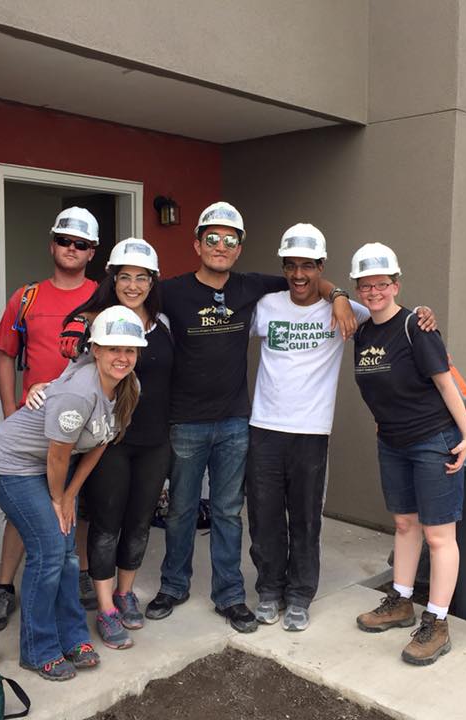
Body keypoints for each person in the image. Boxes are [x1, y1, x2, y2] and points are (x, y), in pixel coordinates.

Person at [144, 202, 358, 633]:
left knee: (228, 511)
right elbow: (127, 300)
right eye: (212, 239)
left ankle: (230, 595)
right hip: (187, 421)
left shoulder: (251, 289)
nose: (220, 247)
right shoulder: (172, 291)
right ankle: (173, 586)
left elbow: (308, 281)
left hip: (237, 422)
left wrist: (336, 295)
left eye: (229, 240)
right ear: (197, 243)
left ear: (240, 248)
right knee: (182, 510)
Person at [246, 224, 436, 632]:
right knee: (264, 517)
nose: (299, 275)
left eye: (308, 266)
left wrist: (424, 314)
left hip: (312, 431)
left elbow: (390, 312)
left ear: (321, 266)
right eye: (291, 266)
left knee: (306, 517)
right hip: (264, 426)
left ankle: (299, 595)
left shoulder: (349, 309)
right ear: (283, 267)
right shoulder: (266, 307)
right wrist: (336, 293)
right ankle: (268, 589)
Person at [0, 305, 145, 680]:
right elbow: (57, 455)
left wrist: (70, 494)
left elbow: (101, 442)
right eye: (114, 349)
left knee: (69, 555)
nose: (123, 357)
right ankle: (38, 649)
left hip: (55, 467)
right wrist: (59, 499)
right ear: (97, 350)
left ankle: (72, 636)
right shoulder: (79, 393)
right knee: (49, 550)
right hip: (13, 464)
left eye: (130, 350)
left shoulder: (128, 387)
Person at [35, 238, 172, 651]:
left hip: (155, 441)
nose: (132, 285)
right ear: (112, 278)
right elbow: (69, 373)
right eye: (124, 276)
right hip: (108, 441)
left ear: (152, 281)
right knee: (107, 524)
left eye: (141, 277)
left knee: (139, 522)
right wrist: (42, 386)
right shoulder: (90, 321)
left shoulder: (162, 324)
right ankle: (107, 606)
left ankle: (127, 593)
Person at [349, 243, 466, 667]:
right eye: (365, 286)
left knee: (440, 536)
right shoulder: (364, 331)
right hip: (393, 441)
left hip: (433, 439)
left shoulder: (416, 327)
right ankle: (401, 601)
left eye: (381, 284)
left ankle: (436, 622)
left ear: (395, 285)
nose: (373, 292)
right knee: (404, 524)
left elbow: (444, 383)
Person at [0, 206, 101, 632]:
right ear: (53, 245)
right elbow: (4, 354)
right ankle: (3, 588)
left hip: (82, 425)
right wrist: (9, 411)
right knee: (24, 511)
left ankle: (81, 574)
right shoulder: (26, 297)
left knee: (78, 503)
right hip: (34, 426)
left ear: (92, 252)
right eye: (65, 241)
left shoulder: (101, 298)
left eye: (81, 244)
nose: (72, 249)